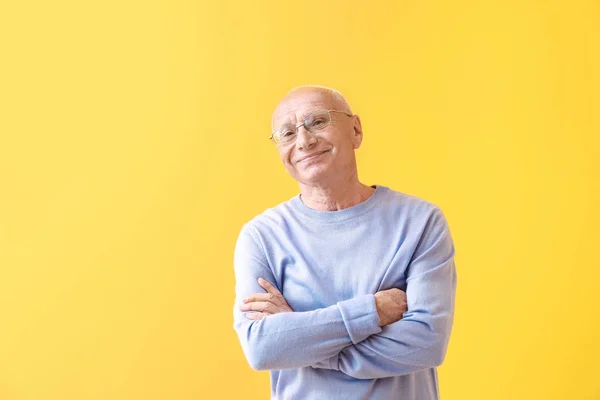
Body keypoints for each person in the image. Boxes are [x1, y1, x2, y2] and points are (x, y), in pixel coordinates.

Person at [232, 85, 457, 400]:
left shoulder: (419, 221)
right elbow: (262, 348)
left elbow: (426, 343)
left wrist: (300, 343)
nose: (304, 141)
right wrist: (373, 311)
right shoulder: (262, 235)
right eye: (287, 133)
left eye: (318, 122)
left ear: (355, 130)